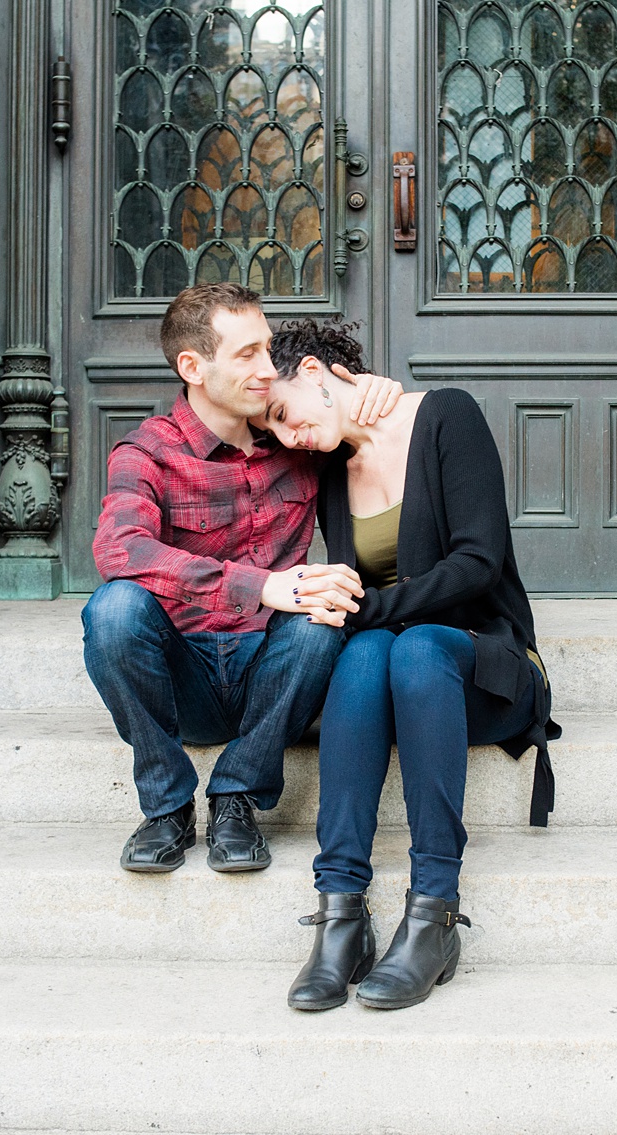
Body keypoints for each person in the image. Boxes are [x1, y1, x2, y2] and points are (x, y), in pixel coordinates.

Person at [254, 318, 558, 1011]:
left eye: (283, 414)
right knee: (365, 654)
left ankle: (434, 916)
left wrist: (366, 612)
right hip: (393, 676)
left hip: (485, 666)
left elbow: (478, 565)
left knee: (407, 644)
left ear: (312, 370)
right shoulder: (328, 466)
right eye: (274, 431)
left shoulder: (447, 414)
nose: (288, 436)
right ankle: (342, 915)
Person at [82, 284, 401, 875]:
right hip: (185, 679)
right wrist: (258, 586)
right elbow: (119, 549)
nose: (267, 369)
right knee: (112, 609)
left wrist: (373, 390)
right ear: (193, 367)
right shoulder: (146, 451)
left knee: (320, 617)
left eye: (269, 348)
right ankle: (167, 807)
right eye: (248, 354)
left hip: (275, 674)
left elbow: (339, 410)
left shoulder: (294, 439)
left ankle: (237, 795)